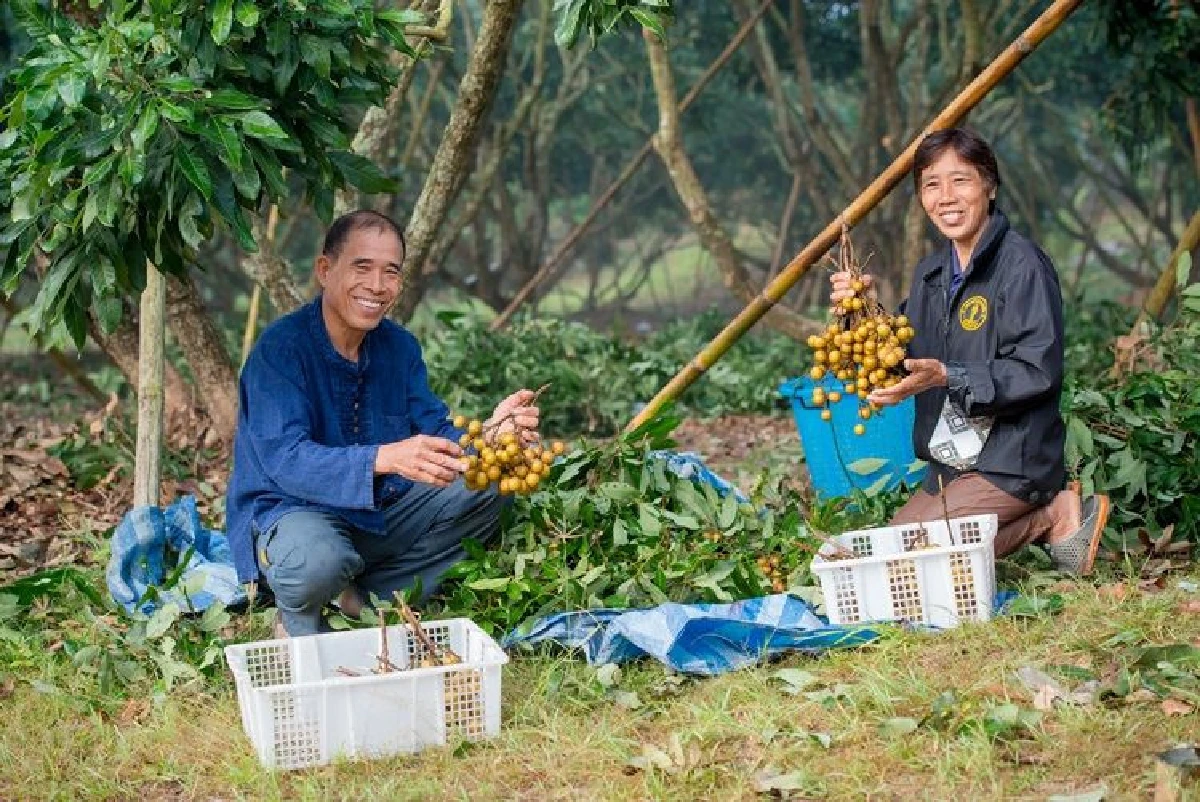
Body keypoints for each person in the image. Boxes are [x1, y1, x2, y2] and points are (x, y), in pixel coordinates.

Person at [226, 209, 541, 636]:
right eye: (362, 267)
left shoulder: (399, 347)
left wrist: (489, 435)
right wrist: (384, 457)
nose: (378, 286)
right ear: (325, 270)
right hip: (293, 514)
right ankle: (297, 615)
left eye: (390, 272)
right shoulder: (280, 351)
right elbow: (287, 460)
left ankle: (365, 599)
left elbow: (436, 432)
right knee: (318, 560)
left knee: (489, 489)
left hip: (377, 511)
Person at [829, 127, 1110, 575]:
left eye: (960, 180)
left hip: (1011, 460)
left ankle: (1050, 512)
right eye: (931, 185)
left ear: (989, 186)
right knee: (882, 557)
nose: (946, 197)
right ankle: (1041, 517)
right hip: (951, 464)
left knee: (915, 563)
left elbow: (1037, 370)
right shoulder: (931, 273)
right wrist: (863, 310)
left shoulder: (1023, 266)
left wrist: (947, 376)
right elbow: (903, 354)